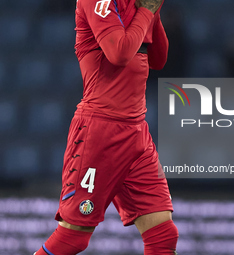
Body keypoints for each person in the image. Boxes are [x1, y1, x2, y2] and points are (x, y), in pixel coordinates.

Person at [34, 0, 178, 254]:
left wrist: (152, 12)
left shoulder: (136, 4)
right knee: (73, 237)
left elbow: (159, 59)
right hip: (99, 132)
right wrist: (146, 11)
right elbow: (119, 54)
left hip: (136, 134)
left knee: (163, 235)